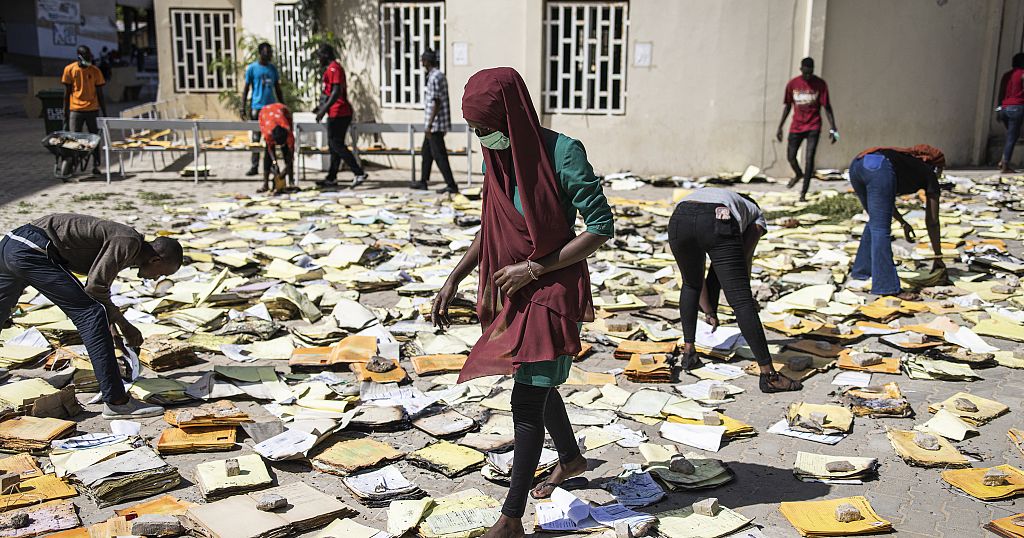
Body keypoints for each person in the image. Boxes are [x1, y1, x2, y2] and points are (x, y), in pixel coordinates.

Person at [432, 67, 614, 538]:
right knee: (536, 380)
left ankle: (510, 518)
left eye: (486, 130)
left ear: (511, 118)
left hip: (549, 293)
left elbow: (600, 225)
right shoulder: (500, 160)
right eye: (475, 133)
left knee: (526, 401)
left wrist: (533, 268)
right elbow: (491, 226)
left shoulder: (562, 152)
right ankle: (570, 458)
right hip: (512, 293)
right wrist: (455, 278)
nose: (482, 140)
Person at [0, 214, 183, 418]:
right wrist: (126, 326)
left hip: (10, 243)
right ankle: (117, 402)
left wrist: (114, 333)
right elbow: (95, 289)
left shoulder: (128, 245)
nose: (158, 278)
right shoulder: (128, 241)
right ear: (156, 259)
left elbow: (101, 291)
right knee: (91, 314)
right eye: (163, 273)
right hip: (31, 249)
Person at [669, 188, 803, 393]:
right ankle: (769, 376)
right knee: (741, 301)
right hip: (716, 219)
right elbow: (743, 256)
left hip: (679, 217)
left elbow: (699, 281)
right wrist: (739, 290)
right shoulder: (756, 214)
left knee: (690, 284)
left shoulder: (716, 195)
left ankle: (689, 352)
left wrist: (709, 310)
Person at [848, 145, 946, 297]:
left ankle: (862, 271)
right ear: (935, 165)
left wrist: (903, 223)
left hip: (858, 164)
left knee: (875, 221)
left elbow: (884, 202)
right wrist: (938, 256)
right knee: (880, 229)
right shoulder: (929, 173)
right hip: (878, 168)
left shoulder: (905, 162)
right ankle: (887, 287)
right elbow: (932, 220)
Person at [777, 57, 838, 201]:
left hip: (813, 125)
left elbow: (827, 107)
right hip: (796, 126)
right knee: (791, 157)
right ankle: (798, 174)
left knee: (809, 158)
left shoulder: (820, 84)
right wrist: (780, 127)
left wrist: (834, 128)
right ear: (801, 70)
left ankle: (803, 192)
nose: (808, 76)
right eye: (805, 73)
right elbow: (787, 106)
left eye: (810, 73)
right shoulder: (793, 84)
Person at [314, 44, 367, 189]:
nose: (318, 60)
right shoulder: (330, 69)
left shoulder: (334, 68)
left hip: (340, 112)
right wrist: (320, 107)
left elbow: (336, 91)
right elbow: (329, 92)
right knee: (333, 146)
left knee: (337, 144)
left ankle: (358, 172)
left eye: (319, 56)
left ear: (325, 55)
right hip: (335, 111)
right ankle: (331, 177)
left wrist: (323, 110)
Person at [410, 49, 459, 194]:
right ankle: (423, 181)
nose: (422, 63)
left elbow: (437, 101)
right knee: (426, 153)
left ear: (427, 61)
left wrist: (430, 124)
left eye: (422, 60)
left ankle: (451, 184)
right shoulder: (436, 75)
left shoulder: (435, 77)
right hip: (434, 124)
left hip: (435, 125)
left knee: (439, 155)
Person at [62, 45, 107, 176]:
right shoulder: (69, 70)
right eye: (86, 57)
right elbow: (66, 94)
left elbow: (100, 94)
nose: (88, 59)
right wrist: (65, 112)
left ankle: (96, 165)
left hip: (92, 110)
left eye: (90, 57)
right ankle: (73, 162)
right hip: (75, 110)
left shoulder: (95, 71)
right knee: (74, 139)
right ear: (79, 57)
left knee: (94, 139)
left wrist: (104, 113)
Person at [241, 42, 283, 177]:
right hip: (257, 107)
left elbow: (277, 88)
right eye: (267, 52)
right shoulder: (252, 68)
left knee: (271, 138)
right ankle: (254, 165)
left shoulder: (272, 69)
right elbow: (246, 88)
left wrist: (282, 106)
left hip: (271, 108)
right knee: (256, 137)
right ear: (261, 53)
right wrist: (243, 107)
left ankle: (270, 165)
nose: (270, 55)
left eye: (270, 52)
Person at [258, 102, 295, 193]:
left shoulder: (288, 131)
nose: (280, 146)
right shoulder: (268, 133)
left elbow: (291, 153)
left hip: (283, 111)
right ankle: (265, 184)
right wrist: (274, 163)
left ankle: (291, 182)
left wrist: (286, 169)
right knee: (267, 156)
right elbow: (270, 149)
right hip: (265, 113)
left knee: (286, 153)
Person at [996, 53, 1024, 173]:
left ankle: (1004, 160)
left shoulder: (1007, 75)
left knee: (1012, 135)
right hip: (1017, 107)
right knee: (1012, 137)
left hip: (1004, 108)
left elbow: (1001, 92)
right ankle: (1005, 163)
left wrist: (999, 108)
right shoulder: (1023, 74)